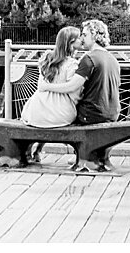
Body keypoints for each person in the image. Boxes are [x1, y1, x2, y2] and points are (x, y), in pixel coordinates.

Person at [34, 18, 120, 124]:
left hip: (91, 115)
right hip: (113, 114)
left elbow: (72, 86)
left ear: (94, 35)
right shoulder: (113, 59)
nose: (82, 38)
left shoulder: (89, 58)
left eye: (84, 34)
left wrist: (46, 87)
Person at [19, 26, 83, 162]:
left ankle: (36, 150)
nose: (82, 39)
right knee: (72, 111)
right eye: (79, 38)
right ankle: (78, 153)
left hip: (35, 112)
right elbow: (74, 94)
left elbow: (41, 85)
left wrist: (48, 87)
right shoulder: (72, 64)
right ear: (71, 43)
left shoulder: (46, 59)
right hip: (60, 115)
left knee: (46, 111)